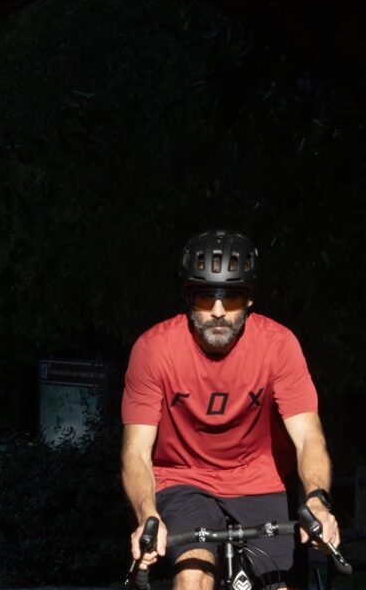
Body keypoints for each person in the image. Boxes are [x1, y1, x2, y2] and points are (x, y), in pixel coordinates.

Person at [121, 230, 341, 590]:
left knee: (278, 584)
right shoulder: (153, 350)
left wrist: (317, 500)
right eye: (207, 297)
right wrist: (148, 514)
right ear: (188, 298)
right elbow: (136, 452)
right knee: (193, 575)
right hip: (184, 479)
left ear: (250, 298)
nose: (219, 312)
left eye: (232, 297)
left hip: (261, 479)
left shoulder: (279, 346)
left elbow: (309, 439)